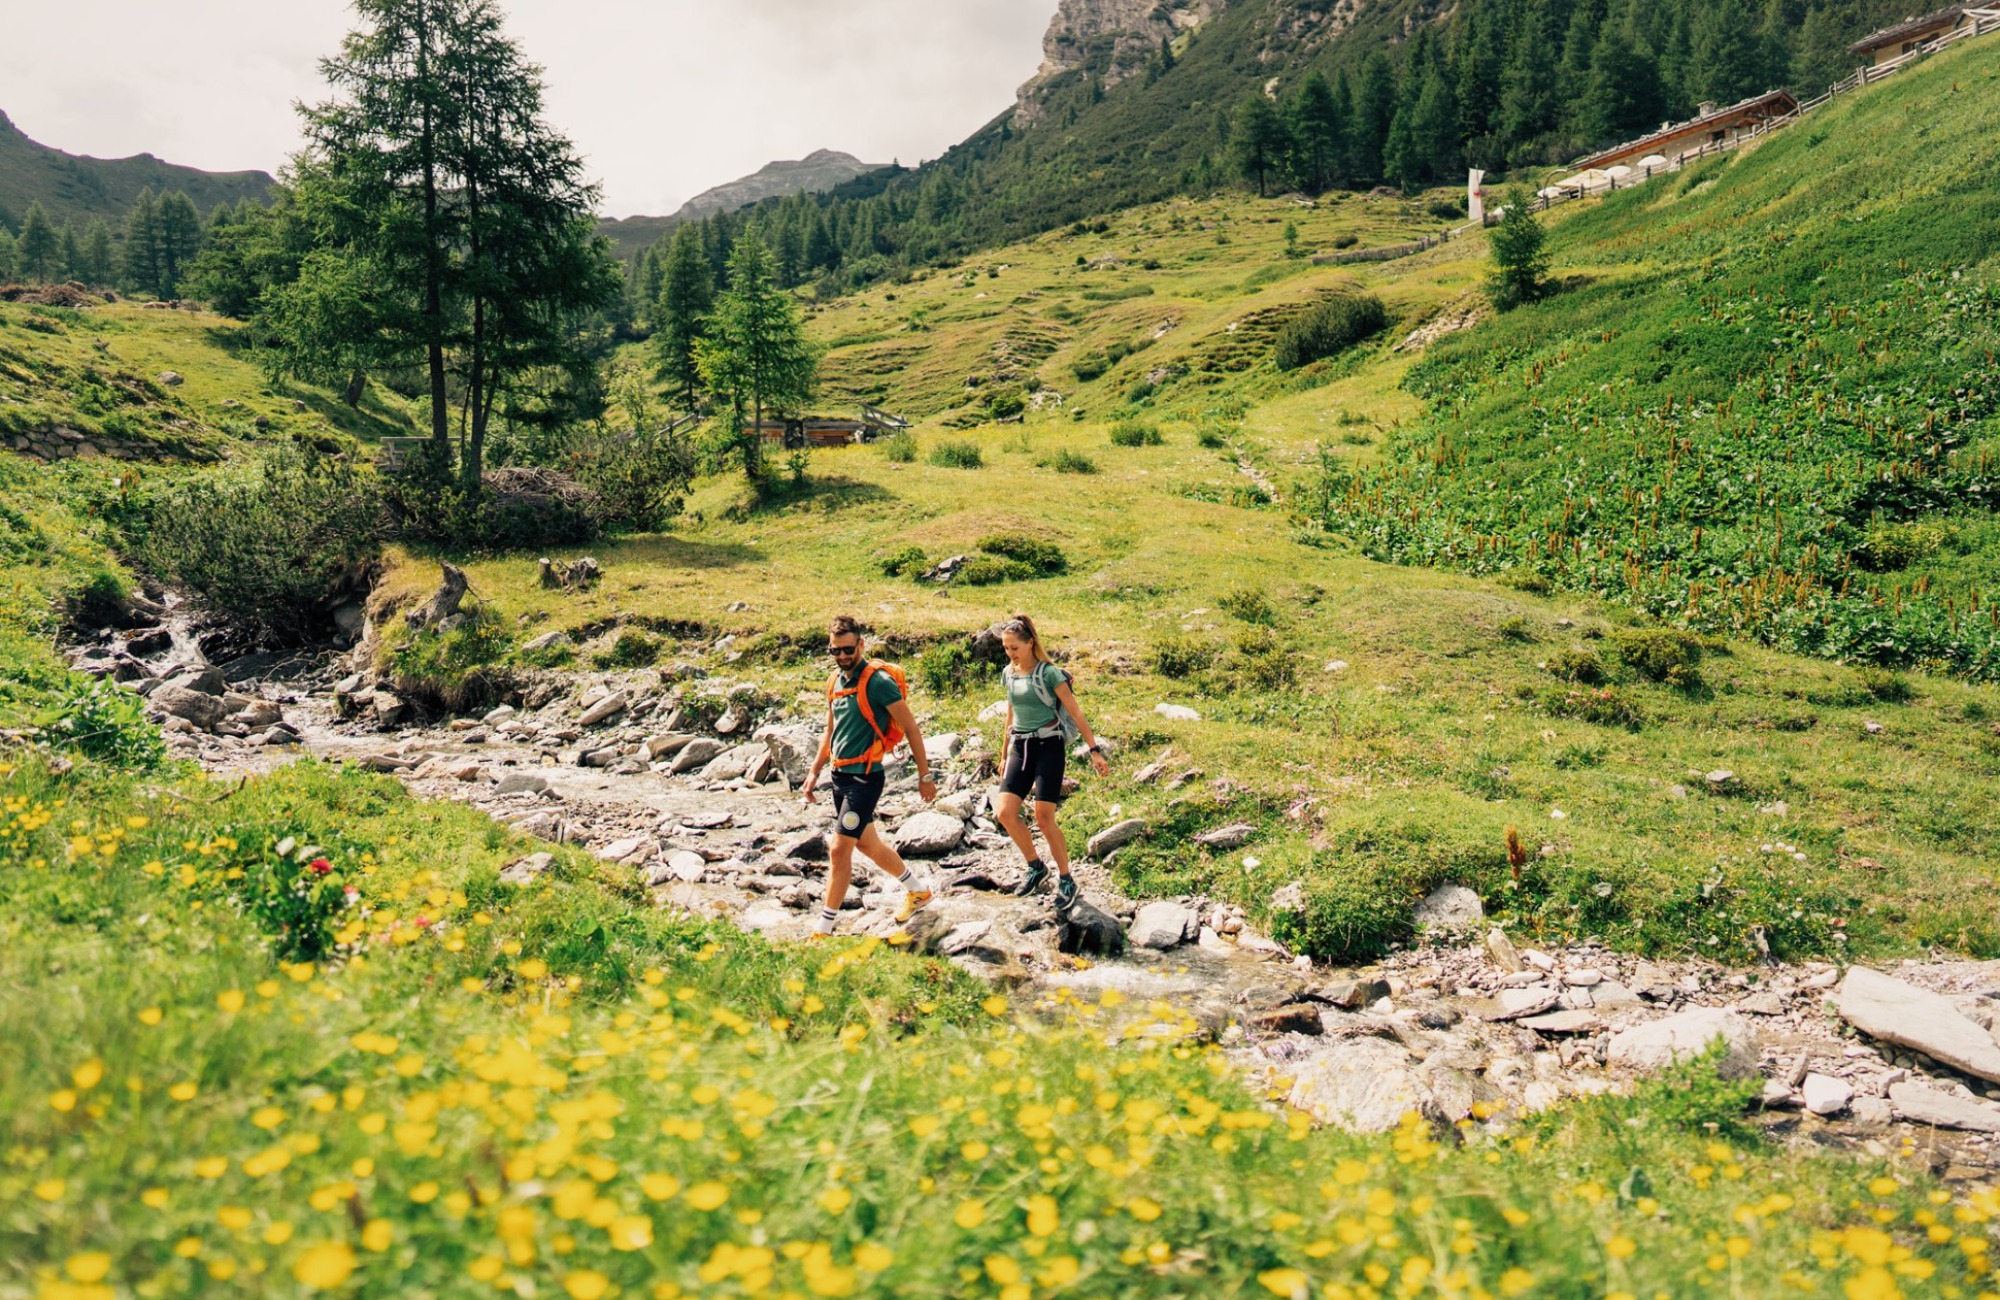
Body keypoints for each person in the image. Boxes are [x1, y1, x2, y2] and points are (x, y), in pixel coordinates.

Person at [800, 615, 939, 936]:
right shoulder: (834, 682)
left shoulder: (878, 682)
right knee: (868, 844)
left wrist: (924, 774)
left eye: (848, 649)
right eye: (835, 651)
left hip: (865, 779)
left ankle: (822, 930)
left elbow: (912, 728)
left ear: (861, 644)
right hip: (839, 778)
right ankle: (918, 891)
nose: (842, 656)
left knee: (838, 850)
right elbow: (830, 730)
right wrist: (813, 772)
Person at [994, 614, 1109, 909]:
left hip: (1049, 747)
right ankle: (1036, 867)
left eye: (1014, 648)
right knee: (1006, 813)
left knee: (1044, 816)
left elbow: (1076, 712)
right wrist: (1005, 753)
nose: (1010, 654)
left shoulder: (1049, 674)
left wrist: (1094, 750)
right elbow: (1011, 714)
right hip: (1020, 746)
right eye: (1006, 648)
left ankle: (1066, 877)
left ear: (1030, 643)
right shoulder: (1009, 673)